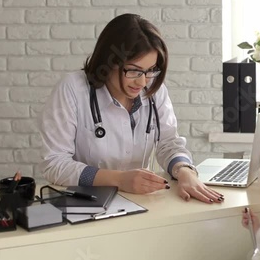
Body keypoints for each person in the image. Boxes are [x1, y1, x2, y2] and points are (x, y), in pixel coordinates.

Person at [38, 13, 223, 204]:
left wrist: (184, 170)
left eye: (151, 70)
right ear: (108, 62)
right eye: (133, 70)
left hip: (139, 203)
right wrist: (118, 179)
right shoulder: (73, 89)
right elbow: (54, 163)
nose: (142, 82)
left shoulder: (154, 91)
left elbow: (168, 142)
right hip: (85, 204)